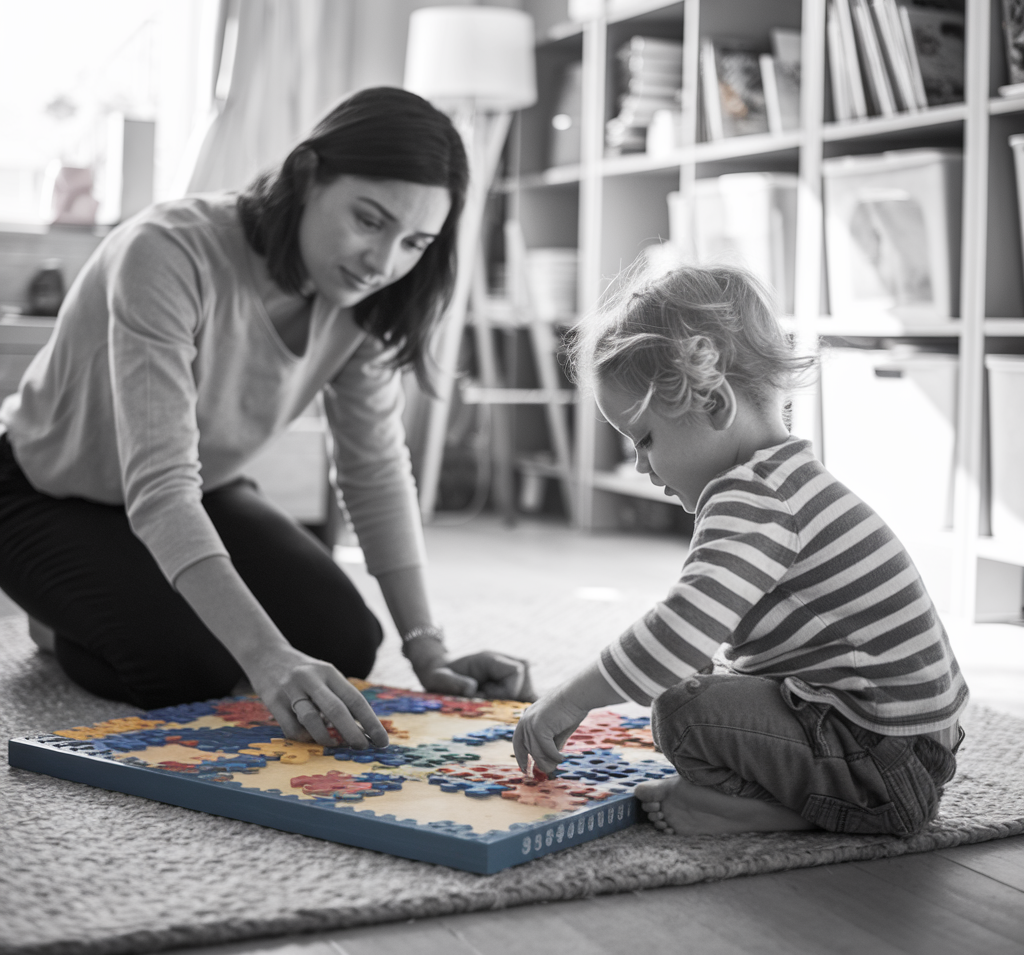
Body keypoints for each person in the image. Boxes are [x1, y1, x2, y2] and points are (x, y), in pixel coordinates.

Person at [0, 86, 532, 751]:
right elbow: (160, 491)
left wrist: (428, 650)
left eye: (414, 242)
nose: (384, 262)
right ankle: (54, 622)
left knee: (346, 643)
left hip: (206, 487)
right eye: (369, 220)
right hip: (42, 489)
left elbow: (375, 471)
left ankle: (121, 591)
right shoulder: (166, 251)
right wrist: (265, 657)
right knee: (182, 668)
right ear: (306, 176)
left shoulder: (365, 300)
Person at [513, 263, 967, 837]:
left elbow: (676, 634)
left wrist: (570, 700)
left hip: (883, 766)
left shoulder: (751, 495)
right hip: (912, 747)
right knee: (707, 676)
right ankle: (805, 796)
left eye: (646, 437)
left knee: (683, 710)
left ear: (715, 406)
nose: (640, 464)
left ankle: (764, 810)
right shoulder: (788, 478)